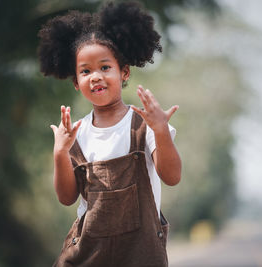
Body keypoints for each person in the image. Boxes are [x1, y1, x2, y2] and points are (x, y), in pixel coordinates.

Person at [37, 2, 181, 266]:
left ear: (124, 72)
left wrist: (161, 131)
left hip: (141, 253)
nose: (95, 76)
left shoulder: (144, 124)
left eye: (105, 67)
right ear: (76, 83)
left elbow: (172, 177)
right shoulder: (75, 134)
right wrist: (60, 152)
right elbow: (67, 197)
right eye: (85, 71)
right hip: (87, 254)